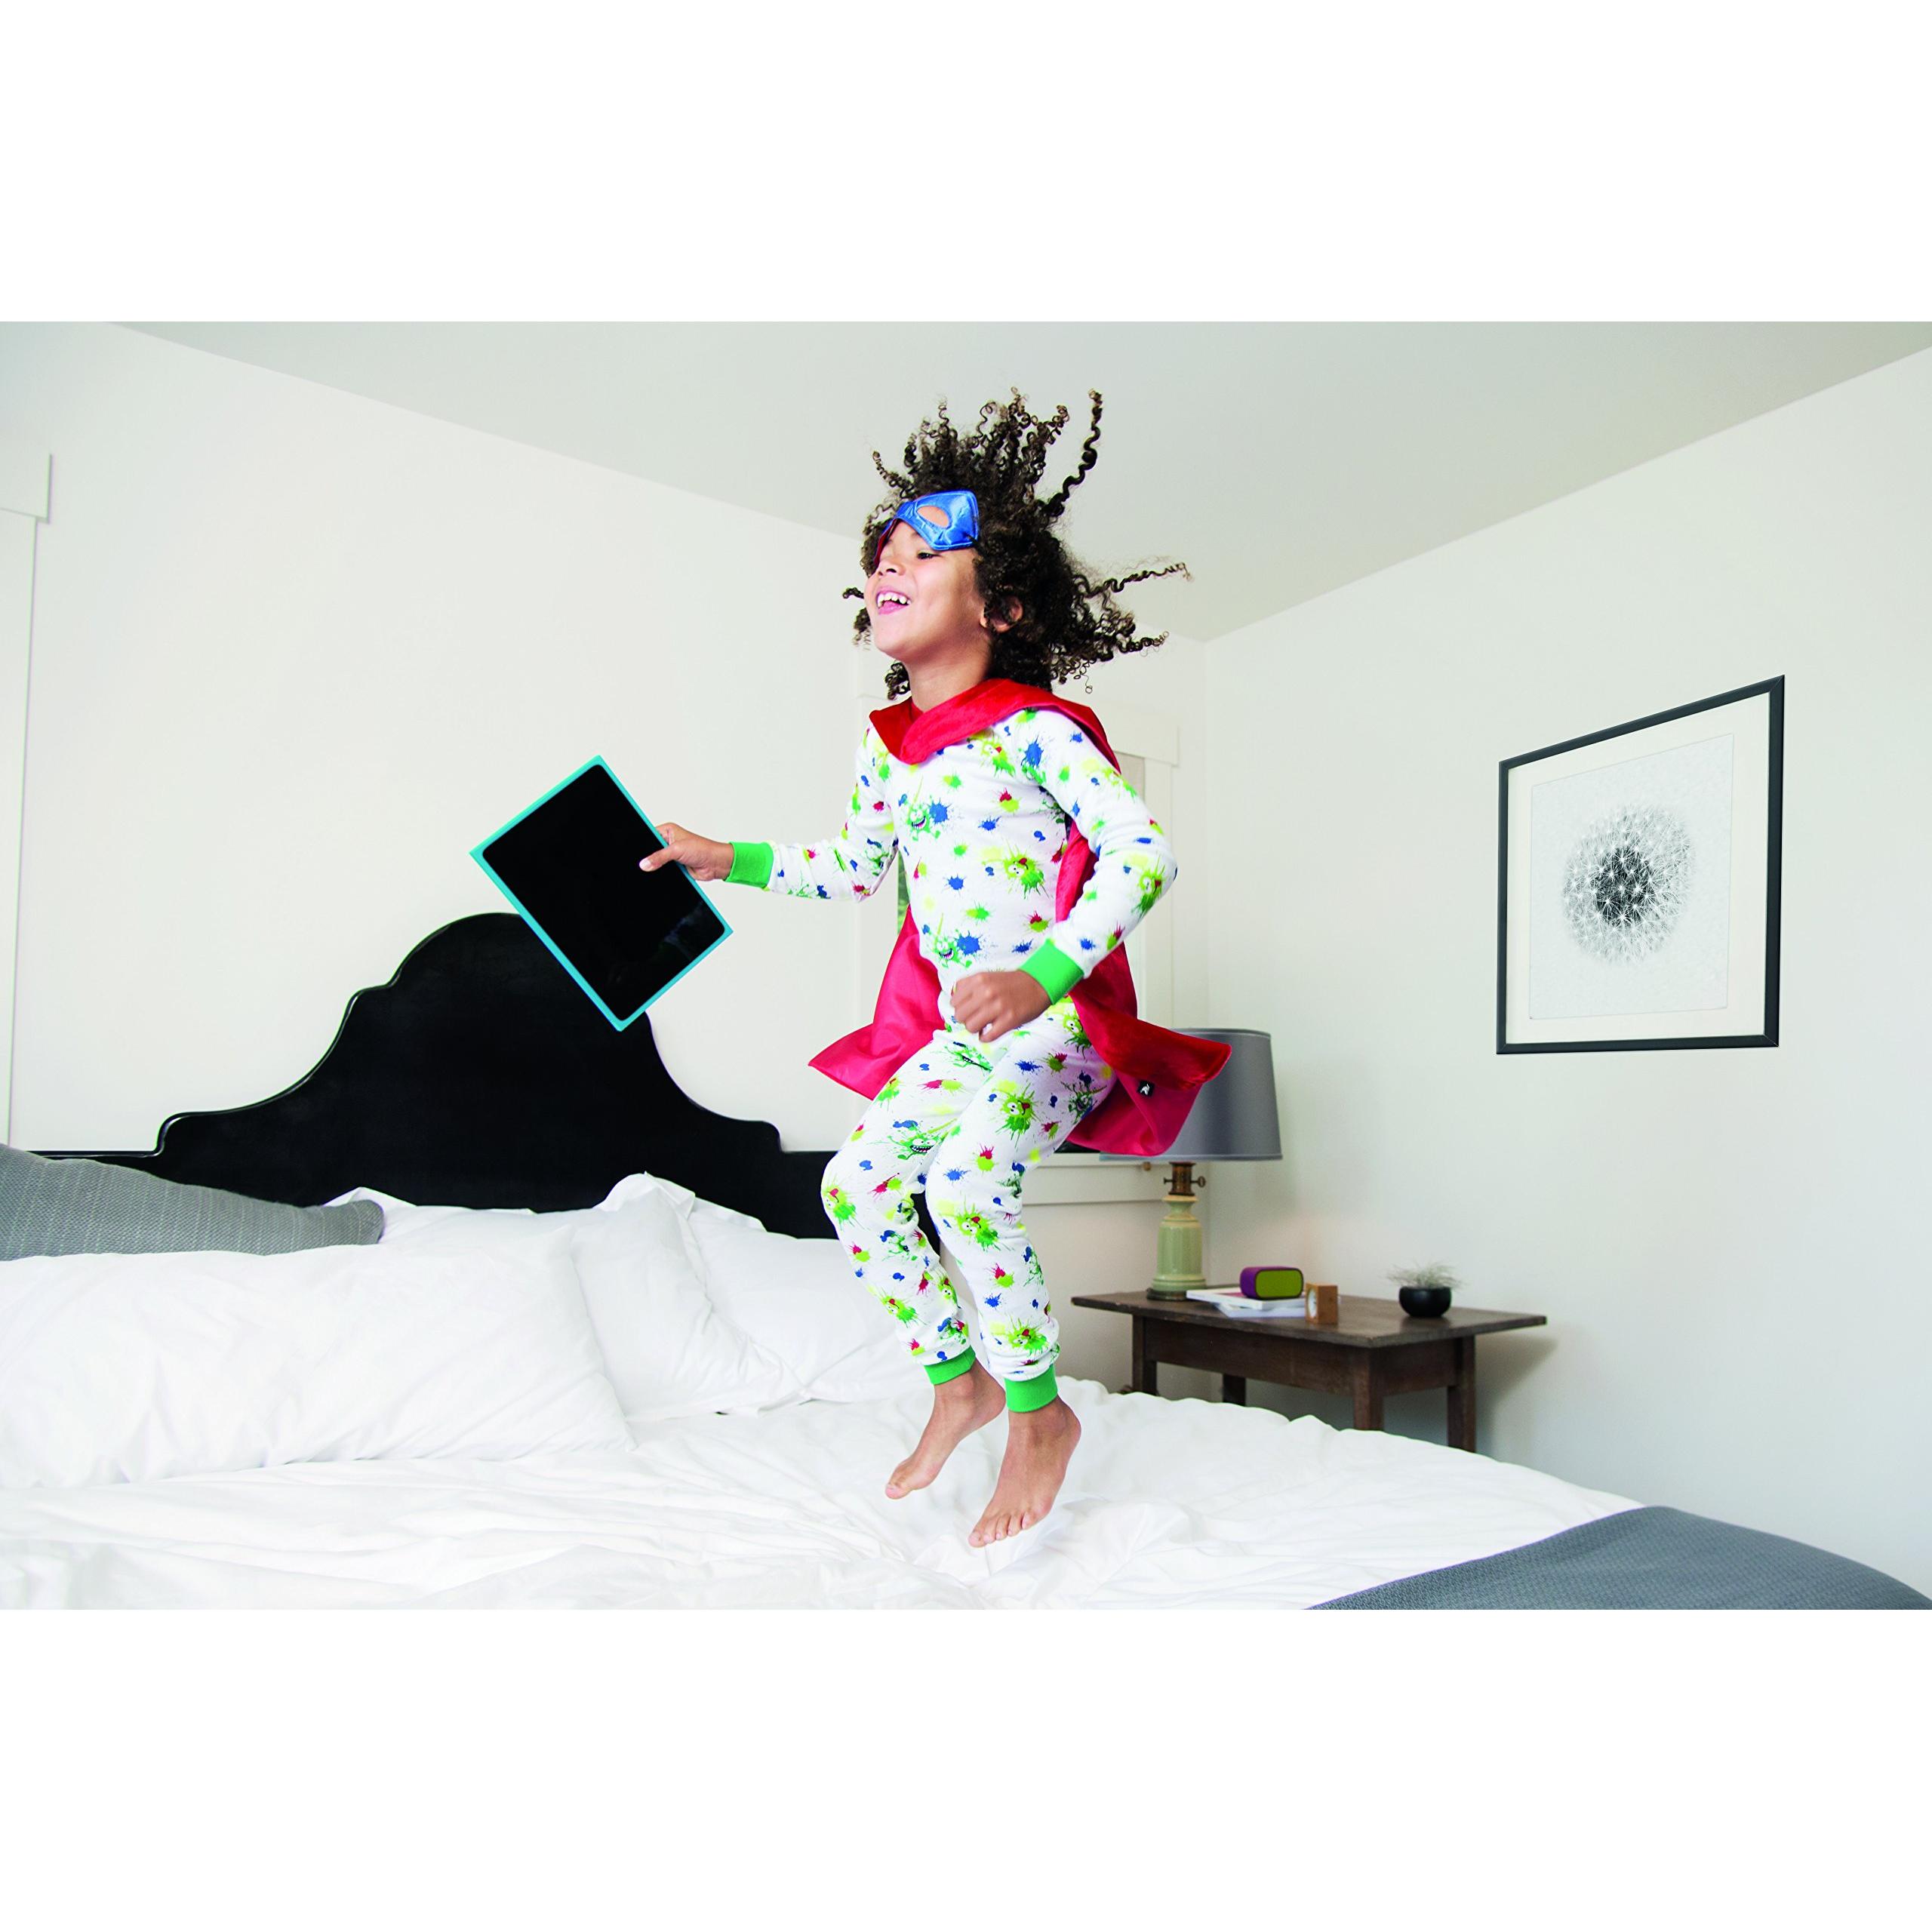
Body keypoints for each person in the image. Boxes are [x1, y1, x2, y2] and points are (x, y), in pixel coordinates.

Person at [641, 391, 1229, 1548]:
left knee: (962, 1185)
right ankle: (959, 1387)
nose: (889, 567)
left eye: (922, 555)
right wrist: (727, 857)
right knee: (857, 1187)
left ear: (1000, 607)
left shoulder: (1039, 730)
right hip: (967, 1037)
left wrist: (1042, 976)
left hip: (1052, 1026)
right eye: (884, 555)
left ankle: (1040, 1415)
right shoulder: (891, 752)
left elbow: (1143, 855)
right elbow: (855, 867)